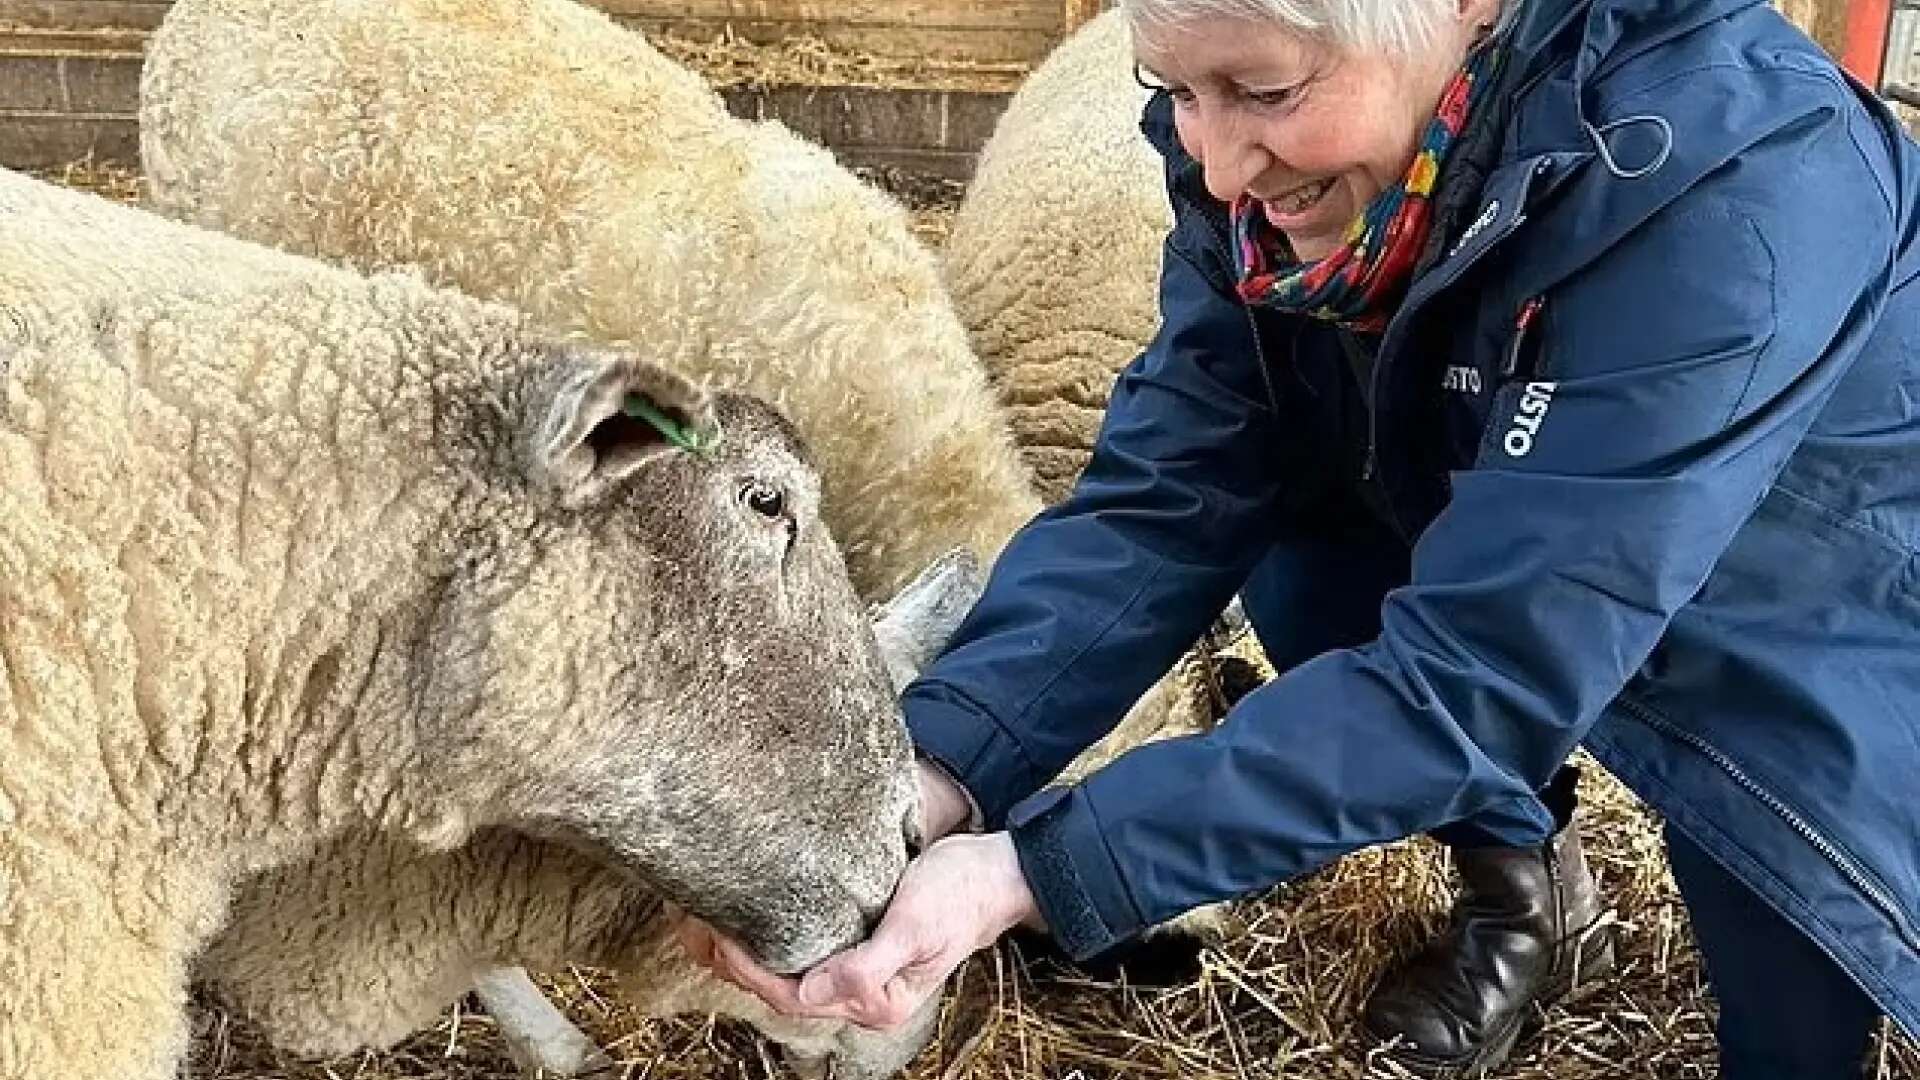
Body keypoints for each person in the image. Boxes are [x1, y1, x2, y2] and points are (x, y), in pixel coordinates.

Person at [688, 0, 1920, 1074]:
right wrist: (939, 776)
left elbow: (1480, 672)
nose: (1221, 167)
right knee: (1308, 557)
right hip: (1493, 476)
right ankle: (1522, 884)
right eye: (1175, 92)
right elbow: (1174, 485)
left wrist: (1032, 874)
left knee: (1778, 876)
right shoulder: (1268, 195)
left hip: (1794, 579)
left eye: (1266, 91)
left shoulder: (1734, 191)